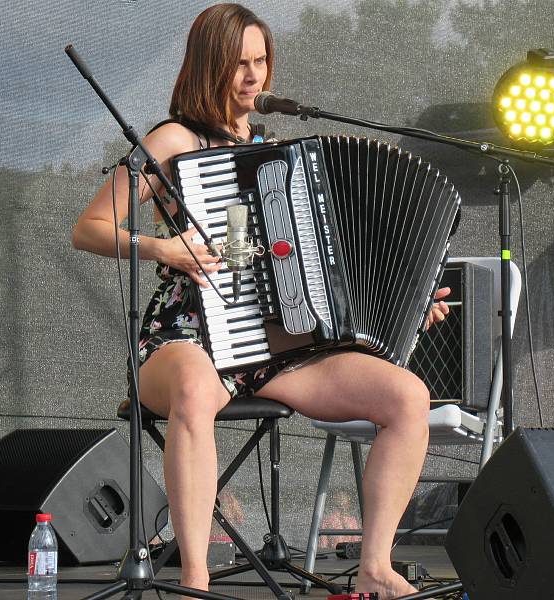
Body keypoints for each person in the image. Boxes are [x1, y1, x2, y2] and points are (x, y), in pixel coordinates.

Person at [72, 4, 449, 599]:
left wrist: (405, 307)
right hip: (185, 335)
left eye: (260, 61)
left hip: (274, 345)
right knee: (195, 389)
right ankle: (195, 581)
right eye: (239, 64)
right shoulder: (173, 139)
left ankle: (376, 566)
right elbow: (89, 228)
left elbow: (324, 270)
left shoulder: (279, 150)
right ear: (208, 67)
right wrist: (163, 249)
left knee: (408, 396)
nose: (254, 76)